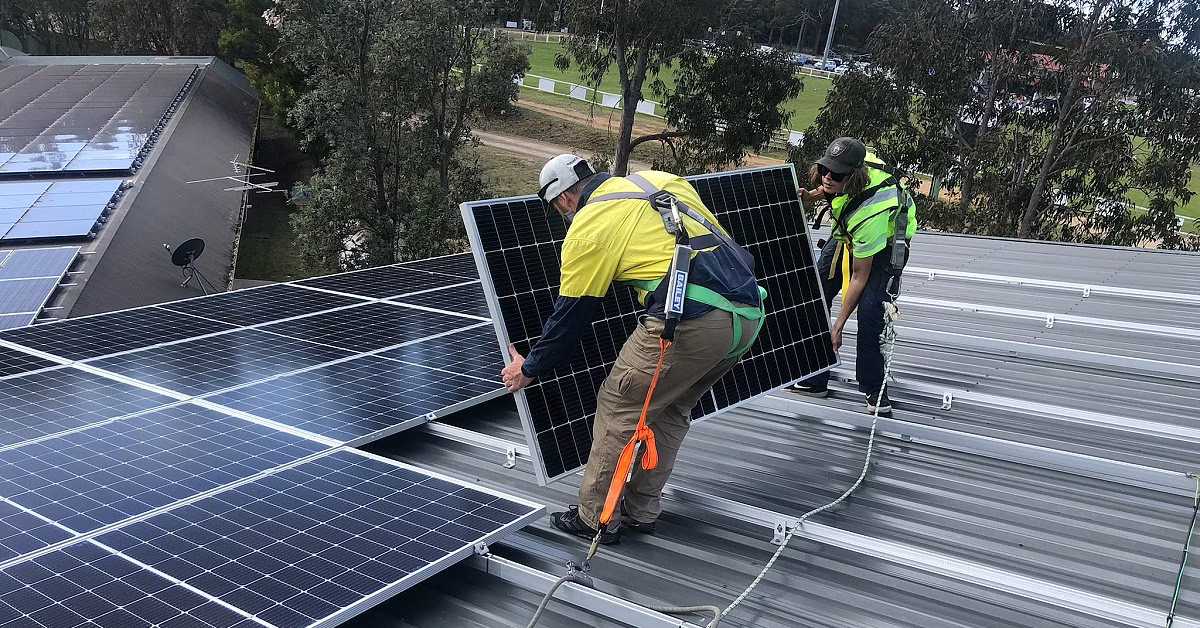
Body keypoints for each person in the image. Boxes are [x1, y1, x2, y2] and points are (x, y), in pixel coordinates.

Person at [501, 154, 765, 545]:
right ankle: (641, 511)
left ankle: (597, 518)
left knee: (618, 405)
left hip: (689, 320)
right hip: (746, 317)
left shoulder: (589, 225)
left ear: (563, 201)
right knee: (670, 408)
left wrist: (531, 367)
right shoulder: (659, 180)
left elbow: (571, 316)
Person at [790, 137, 917, 416]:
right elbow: (833, 188)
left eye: (836, 174)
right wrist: (811, 195)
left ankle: (875, 390)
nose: (827, 177)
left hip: (884, 243)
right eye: (825, 169)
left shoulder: (869, 217)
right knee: (816, 290)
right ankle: (815, 376)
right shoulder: (843, 178)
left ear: (855, 176)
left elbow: (858, 278)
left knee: (871, 310)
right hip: (850, 231)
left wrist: (838, 325)